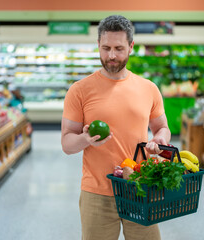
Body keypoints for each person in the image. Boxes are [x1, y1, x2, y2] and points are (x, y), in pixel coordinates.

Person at [61, 15, 170, 240]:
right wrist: (85, 139)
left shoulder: (148, 89)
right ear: (98, 46)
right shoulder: (79, 90)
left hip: (140, 187)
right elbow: (67, 144)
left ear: (131, 47)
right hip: (97, 193)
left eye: (119, 48)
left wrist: (160, 139)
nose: (111, 55)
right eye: (106, 48)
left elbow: (162, 128)